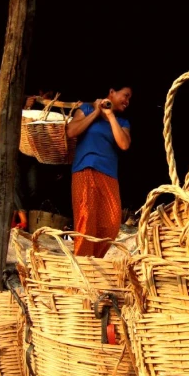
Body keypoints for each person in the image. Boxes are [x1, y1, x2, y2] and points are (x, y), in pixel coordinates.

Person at [66, 83, 133, 257]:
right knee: (85, 217)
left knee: (111, 223)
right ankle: (82, 262)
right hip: (85, 168)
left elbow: (124, 144)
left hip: (109, 174)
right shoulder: (86, 109)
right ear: (112, 92)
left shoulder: (122, 122)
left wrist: (110, 116)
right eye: (125, 95)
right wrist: (96, 112)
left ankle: (94, 260)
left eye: (129, 98)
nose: (127, 101)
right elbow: (71, 131)